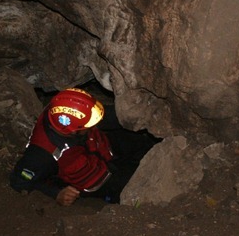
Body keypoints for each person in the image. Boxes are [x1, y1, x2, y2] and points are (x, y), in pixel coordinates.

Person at [10, 87, 149, 206]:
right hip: (95, 180)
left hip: (99, 146)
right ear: (72, 130)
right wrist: (56, 194)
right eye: (91, 122)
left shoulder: (65, 109)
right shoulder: (41, 155)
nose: (95, 122)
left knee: (139, 142)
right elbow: (19, 181)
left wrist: (142, 116)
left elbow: (106, 118)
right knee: (137, 183)